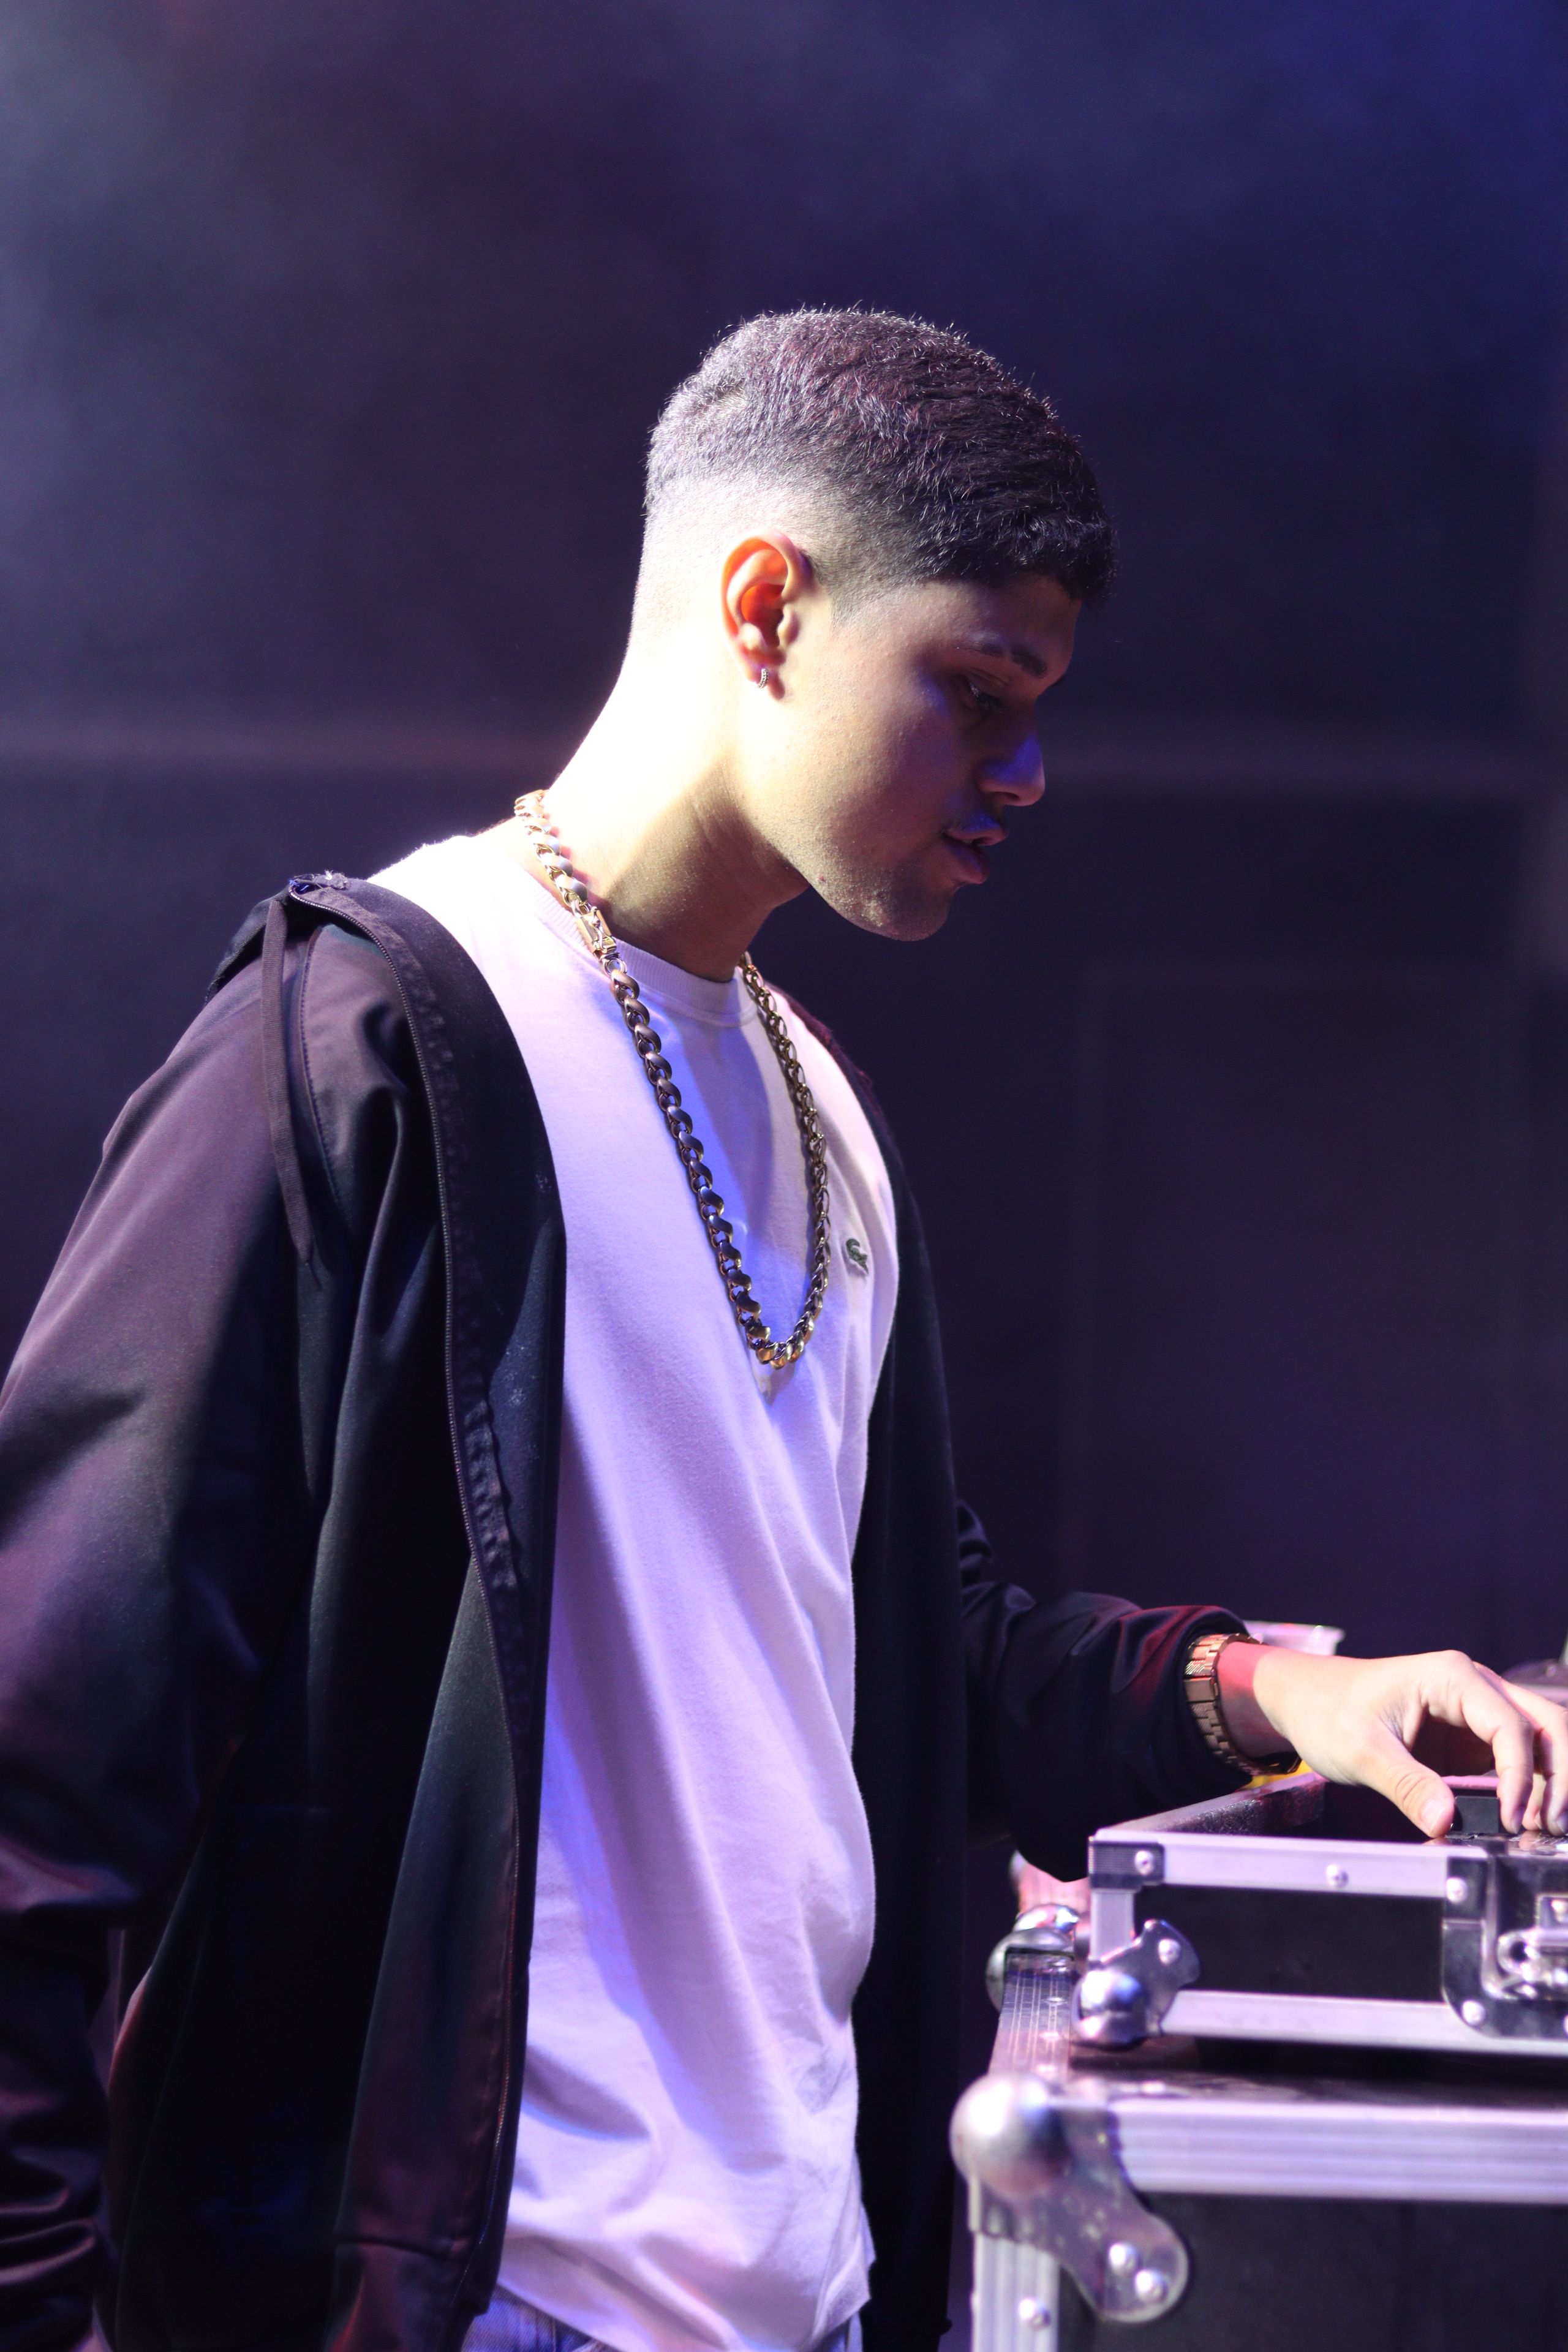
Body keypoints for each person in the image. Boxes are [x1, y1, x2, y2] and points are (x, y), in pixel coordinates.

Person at [0, 309, 1563, 2352]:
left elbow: (905, 1657)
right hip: (482, 2303)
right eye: (978, 691)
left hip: (806, 2294)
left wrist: (1285, 1693)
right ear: (766, 609)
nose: (1024, 776)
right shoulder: (369, 1038)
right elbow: (44, 1757)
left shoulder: (827, 1112)